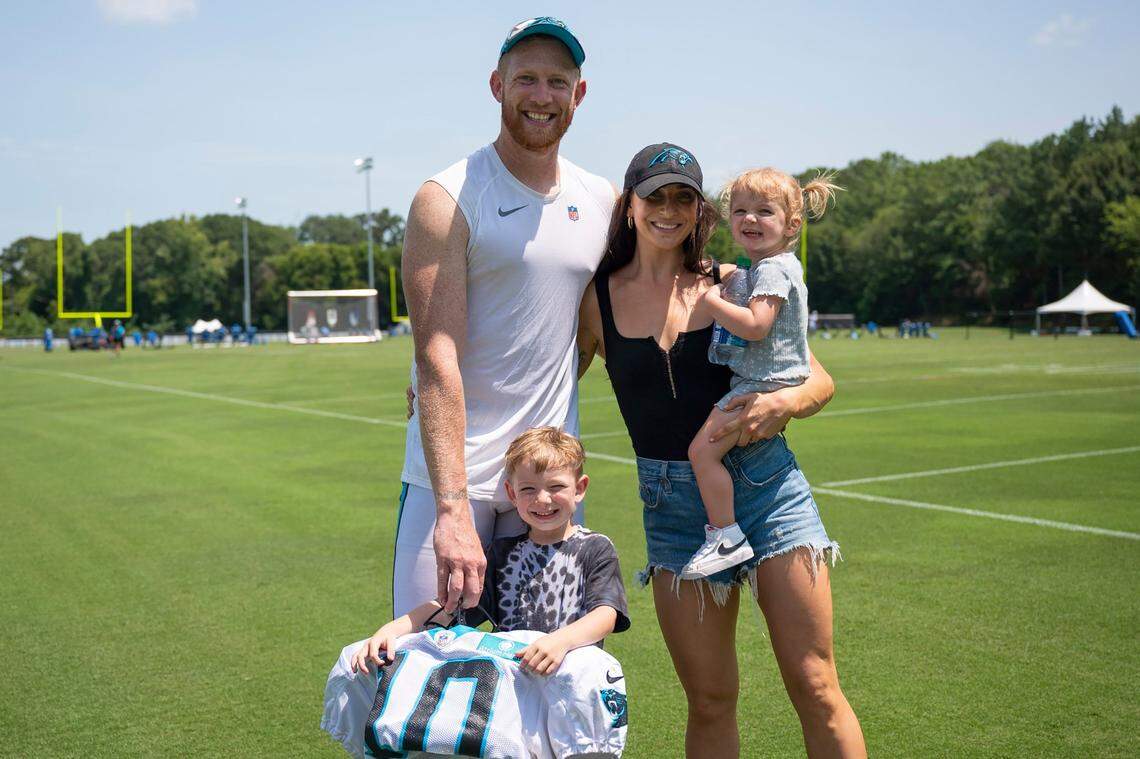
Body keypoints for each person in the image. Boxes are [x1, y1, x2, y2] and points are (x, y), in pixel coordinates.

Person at [577, 144, 866, 757]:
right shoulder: (594, 301)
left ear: (699, 210)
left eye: (684, 197)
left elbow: (817, 378)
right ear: (629, 206)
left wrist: (782, 405)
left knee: (815, 684)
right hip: (674, 510)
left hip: (767, 488)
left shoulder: (731, 281)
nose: (668, 209)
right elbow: (540, 381)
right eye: (654, 196)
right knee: (710, 701)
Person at [394, 17, 618, 619]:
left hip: (546, 486)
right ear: (497, 85)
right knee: (427, 669)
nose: (542, 97)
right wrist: (452, 509)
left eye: (556, 81)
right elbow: (435, 353)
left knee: (546, 677)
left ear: (579, 93)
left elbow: (603, 321)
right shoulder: (446, 196)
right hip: (452, 483)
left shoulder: (601, 200)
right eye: (526, 80)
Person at [358, 427, 629, 676]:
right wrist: (396, 627)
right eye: (528, 489)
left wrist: (560, 642)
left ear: (579, 488)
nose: (543, 499)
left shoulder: (595, 548)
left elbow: (606, 614)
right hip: (512, 683)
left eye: (556, 487)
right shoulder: (503, 554)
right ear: (512, 493)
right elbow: (454, 605)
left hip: (572, 681)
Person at [682, 168, 841, 579]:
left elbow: (755, 325)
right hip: (765, 379)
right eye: (740, 211)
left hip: (761, 385)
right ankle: (727, 531)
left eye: (763, 212)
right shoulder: (764, 268)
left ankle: (725, 535)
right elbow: (740, 283)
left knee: (702, 453)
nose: (749, 219)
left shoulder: (773, 269)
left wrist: (709, 301)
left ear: (792, 225)